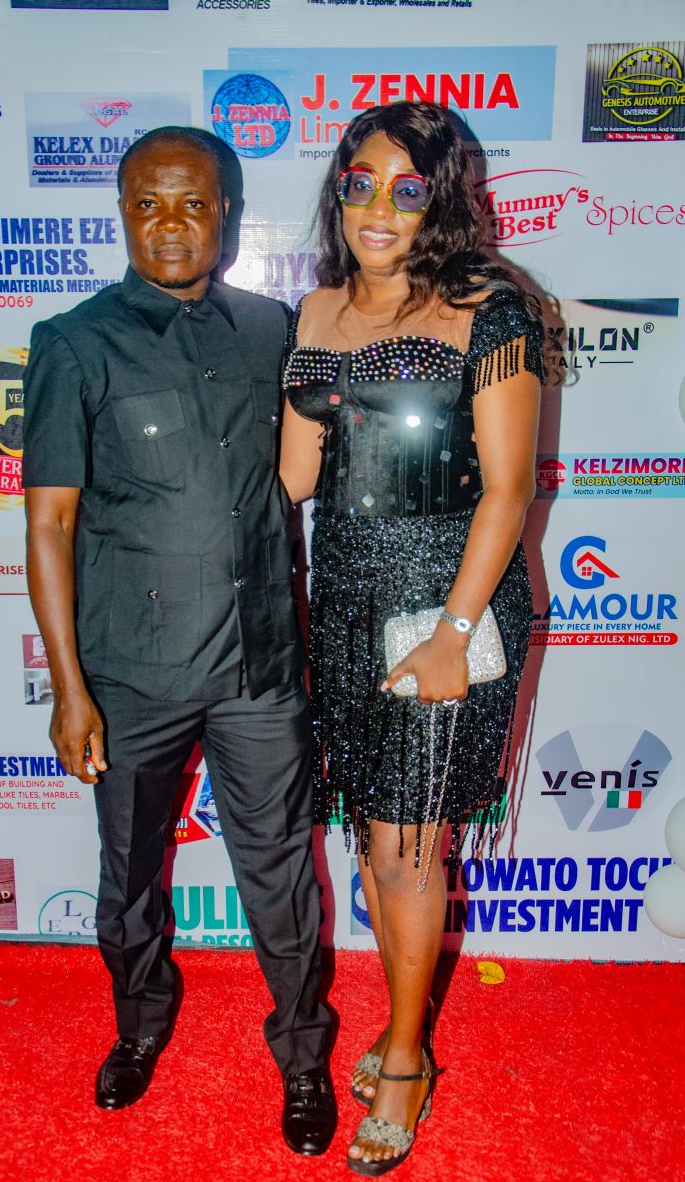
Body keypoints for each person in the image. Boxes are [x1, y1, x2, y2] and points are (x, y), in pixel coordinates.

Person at [22, 126, 336, 1155]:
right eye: (148, 203)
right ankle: (140, 1023)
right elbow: (50, 523)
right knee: (129, 876)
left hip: (259, 662)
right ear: (121, 212)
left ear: (226, 214)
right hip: (133, 670)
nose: (170, 223)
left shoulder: (270, 327)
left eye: (192, 202)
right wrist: (70, 688)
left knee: (282, 871)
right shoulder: (74, 342)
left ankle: (303, 1053)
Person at [280, 101, 543, 1176]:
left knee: (407, 850)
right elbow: (296, 477)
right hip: (346, 602)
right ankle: (403, 1028)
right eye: (361, 184)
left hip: (447, 606)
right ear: (338, 193)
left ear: (441, 200)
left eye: (406, 188)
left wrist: (452, 630)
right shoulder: (315, 309)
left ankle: (403, 1055)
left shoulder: (489, 307)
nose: (378, 208)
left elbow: (510, 489)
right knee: (379, 843)